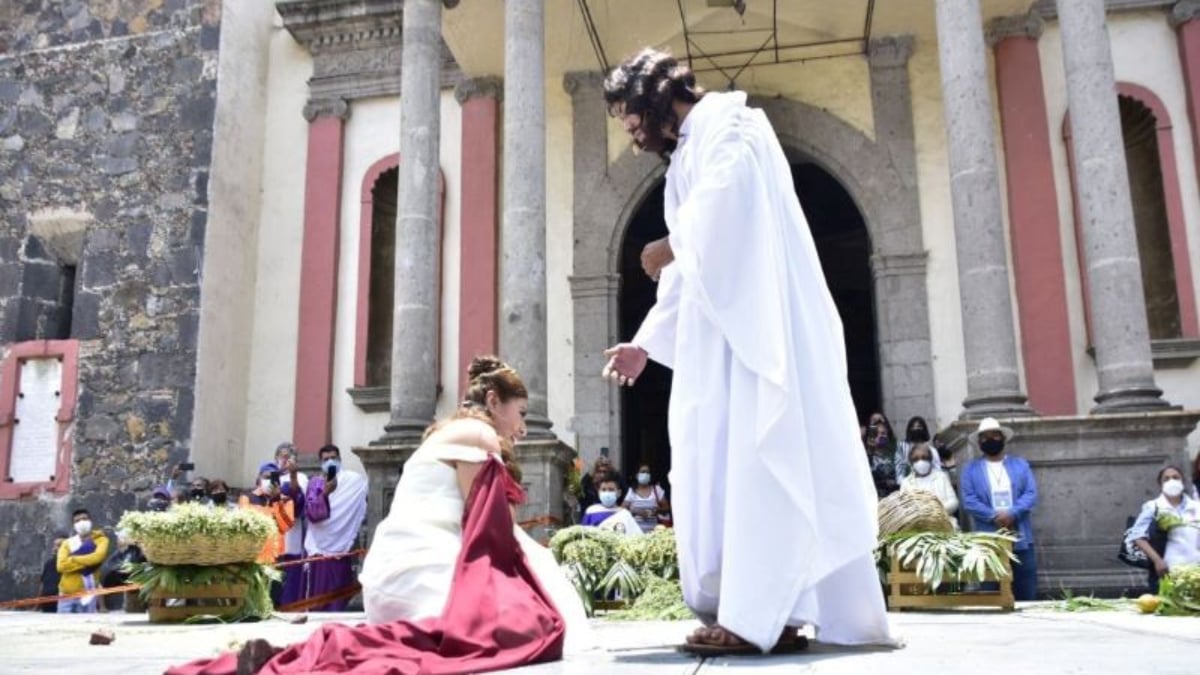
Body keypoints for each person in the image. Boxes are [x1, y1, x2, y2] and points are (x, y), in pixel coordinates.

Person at [599, 48, 892, 654]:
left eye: (633, 121)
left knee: (757, 460)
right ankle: (766, 613)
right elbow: (691, 275)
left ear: (657, 99)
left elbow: (727, 204)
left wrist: (670, 242)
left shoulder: (731, 123)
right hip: (718, 343)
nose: (632, 136)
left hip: (756, 338)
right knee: (715, 464)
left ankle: (758, 615)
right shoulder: (684, 155)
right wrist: (646, 345)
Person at [168, 356, 586, 675]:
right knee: (525, 626)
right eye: (522, 413)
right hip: (423, 574)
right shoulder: (479, 434)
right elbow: (487, 530)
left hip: (392, 582)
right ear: (494, 402)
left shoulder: (442, 431)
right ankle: (293, 660)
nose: (524, 427)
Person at [960, 417, 1039, 601]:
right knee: (990, 592)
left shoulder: (1020, 465)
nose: (990, 440)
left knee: (1025, 588)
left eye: (994, 435)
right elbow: (969, 500)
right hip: (988, 538)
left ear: (1002, 438)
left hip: (1019, 536)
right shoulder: (970, 470)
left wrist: (1012, 513)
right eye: (985, 437)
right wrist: (994, 516)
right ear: (979, 442)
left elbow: (1030, 493)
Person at [301, 444, 368, 611]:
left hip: (341, 550)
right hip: (319, 549)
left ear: (340, 459)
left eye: (333, 458)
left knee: (339, 597)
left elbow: (370, 489)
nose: (330, 461)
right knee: (320, 599)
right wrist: (326, 493)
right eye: (326, 459)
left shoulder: (354, 481)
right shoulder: (315, 483)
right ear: (320, 462)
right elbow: (312, 515)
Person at [1127, 465, 1200, 591]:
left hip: (1196, 566)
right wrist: (1157, 560)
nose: (1171, 481)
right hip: (1168, 568)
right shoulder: (1153, 506)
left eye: (1175, 477)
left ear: (1182, 481)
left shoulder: (1196, 506)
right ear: (1160, 485)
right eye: (1166, 479)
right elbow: (1137, 535)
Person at [237, 463, 296, 563]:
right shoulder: (246, 498)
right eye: (266, 477)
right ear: (259, 479)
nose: (269, 481)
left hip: (276, 556)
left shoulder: (287, 500)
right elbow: (244, 525)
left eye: (273, 477)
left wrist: (277, 501)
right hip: (253, 555)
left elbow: (284, 527)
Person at [273, 442, 309, 605]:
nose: (284, 459)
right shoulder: (269, 476)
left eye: (288, 456)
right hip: (273, 537)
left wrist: (293, 476)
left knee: (292, 575)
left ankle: (290, 606)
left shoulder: (300, 477)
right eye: (281, 456)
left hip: (292, 535)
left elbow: (298, 499)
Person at [56, 509, 110, 613]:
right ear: (73, 525)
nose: (81, 522)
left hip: (87, 594)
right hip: (66, 595)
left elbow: (98, 557)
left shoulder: (101, 540)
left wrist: (73, 558)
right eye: (77, 521)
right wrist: (87, 560)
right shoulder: (67, 543)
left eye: (84, 519)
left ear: (90, 521)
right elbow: (61, 566)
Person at [899, 442, 958, 519]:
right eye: (916, 459)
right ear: (911, 462)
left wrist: (934, 511)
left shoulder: (941, 477)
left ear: (930, 459)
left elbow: (954, 502)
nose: (920, 462)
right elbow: (904, 508)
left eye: (924, 458)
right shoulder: (906, 483)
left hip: (944, 522)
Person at [622, 463, 671, 532]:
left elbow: (666, 508)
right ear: (637, 475)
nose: (645, 474)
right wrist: (636, 512)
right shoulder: (632, 491)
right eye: (642, 472)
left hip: (654, 531)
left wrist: (657, 511)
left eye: (647, 472)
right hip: (635, 531)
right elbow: (623, 509)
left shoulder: (657, 489)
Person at [38, 533, 68, 613]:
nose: (55, 548)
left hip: (62, 605)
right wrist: (37, 604)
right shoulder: (48, 563)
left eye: (59, 546)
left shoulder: (70, 564)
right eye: (54, 545)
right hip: (46, 605)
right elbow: (42, 584)